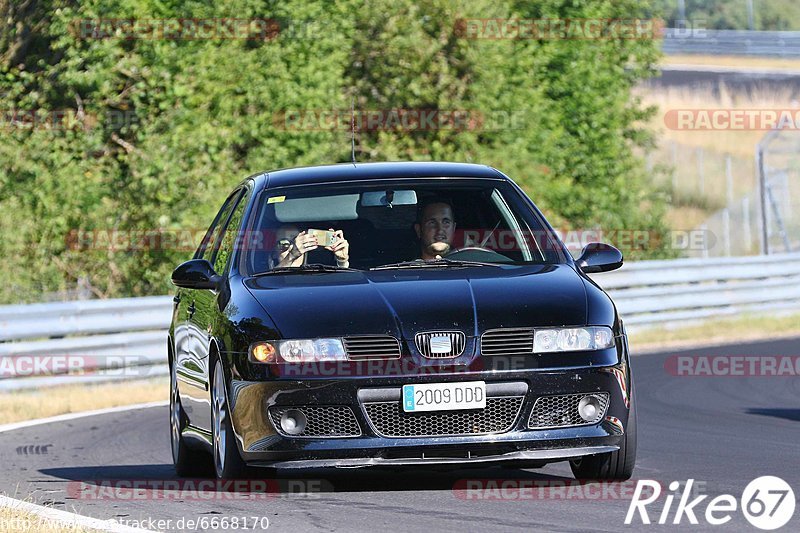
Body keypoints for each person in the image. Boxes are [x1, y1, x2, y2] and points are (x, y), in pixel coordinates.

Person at [272, 225, 350, 268]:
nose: (293, 247)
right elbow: (273, 280)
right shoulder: (263, 279)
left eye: (298, 241)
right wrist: (291, 256)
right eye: (284, 243)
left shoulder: (318, 272)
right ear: (274, 253)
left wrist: (342, 261)